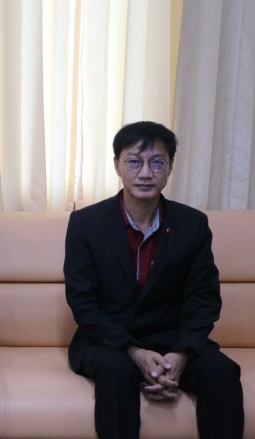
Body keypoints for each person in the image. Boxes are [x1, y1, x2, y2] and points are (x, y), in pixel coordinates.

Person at [64, 121, 244, 438]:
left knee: (222, 372)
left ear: (170, 167)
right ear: (117, 165)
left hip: (173, 339)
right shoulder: (86, 223)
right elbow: (83, 303)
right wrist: (134, 351)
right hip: (108, 341)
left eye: (157, 162)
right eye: (134, 161)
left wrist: (180, 355)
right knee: (117, 371)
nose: (146, 173)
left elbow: (203, 299)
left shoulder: (193, 224)